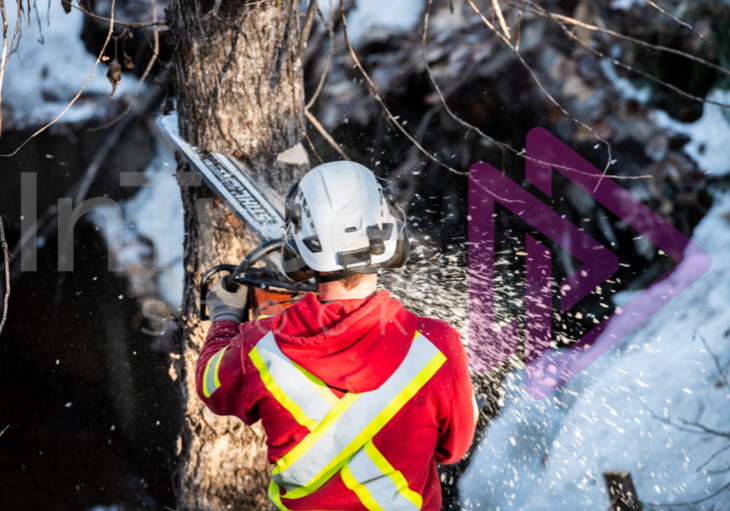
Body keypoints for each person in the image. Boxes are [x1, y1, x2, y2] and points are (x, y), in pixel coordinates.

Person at [198, 161, 477, 511]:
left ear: (298, 250)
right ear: (389, 233)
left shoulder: (259, 347)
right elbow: (454, 449)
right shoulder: (438, 345)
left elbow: (211, 385)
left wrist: (226, 316)